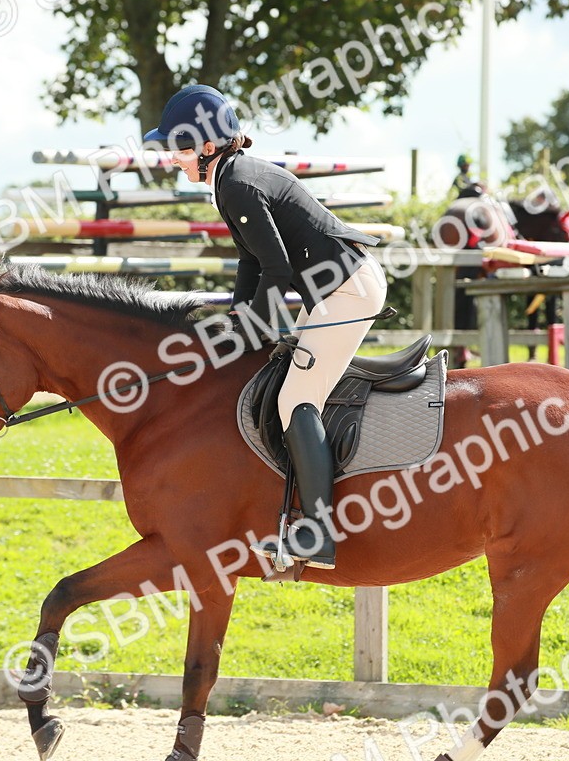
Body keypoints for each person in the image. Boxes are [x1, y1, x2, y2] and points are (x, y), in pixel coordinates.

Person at [144, 85, 388, 570]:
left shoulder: (235, 183)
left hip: (348, 291)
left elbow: (276, 270)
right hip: (335, 288)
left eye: (180, 148)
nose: (173, 158)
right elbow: (252, 261)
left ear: (208, 147)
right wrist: (240, 313)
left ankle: (317, 534)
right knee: (282, 384)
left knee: (295, 398)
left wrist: (251, 325)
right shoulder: (230, 178)